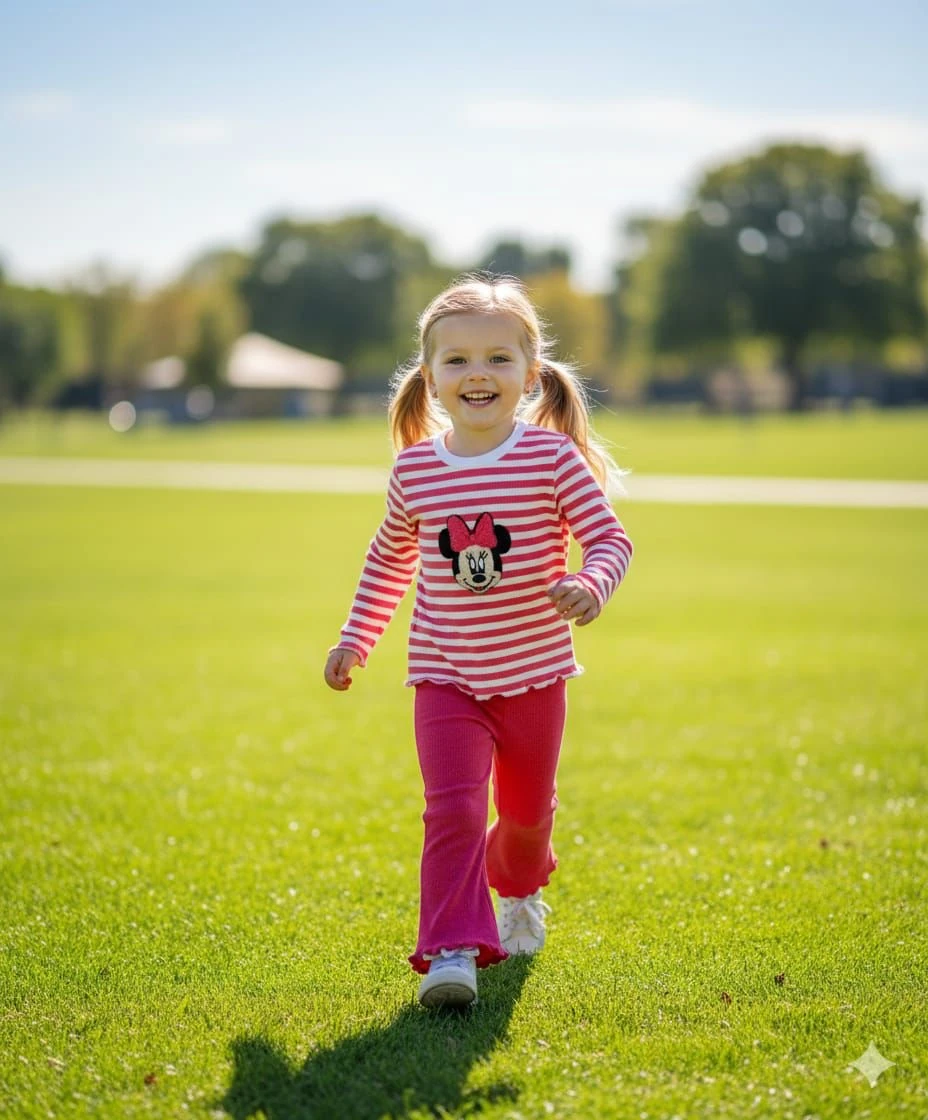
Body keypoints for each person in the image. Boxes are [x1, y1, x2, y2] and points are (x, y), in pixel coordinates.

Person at [324, 275, 633, 1009]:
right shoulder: (414, 470)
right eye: (456, 361)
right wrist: (355, 639)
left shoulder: (551, 460)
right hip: (445, 676)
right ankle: (451, 951)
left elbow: (609, 539)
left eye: (498, 359)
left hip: (534, 675)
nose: (477, 374)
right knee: (453, 810)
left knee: (525, 817)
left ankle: (520, 889)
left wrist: (591, 585)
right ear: (428, 377)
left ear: (531, 374)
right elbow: (389, 561)